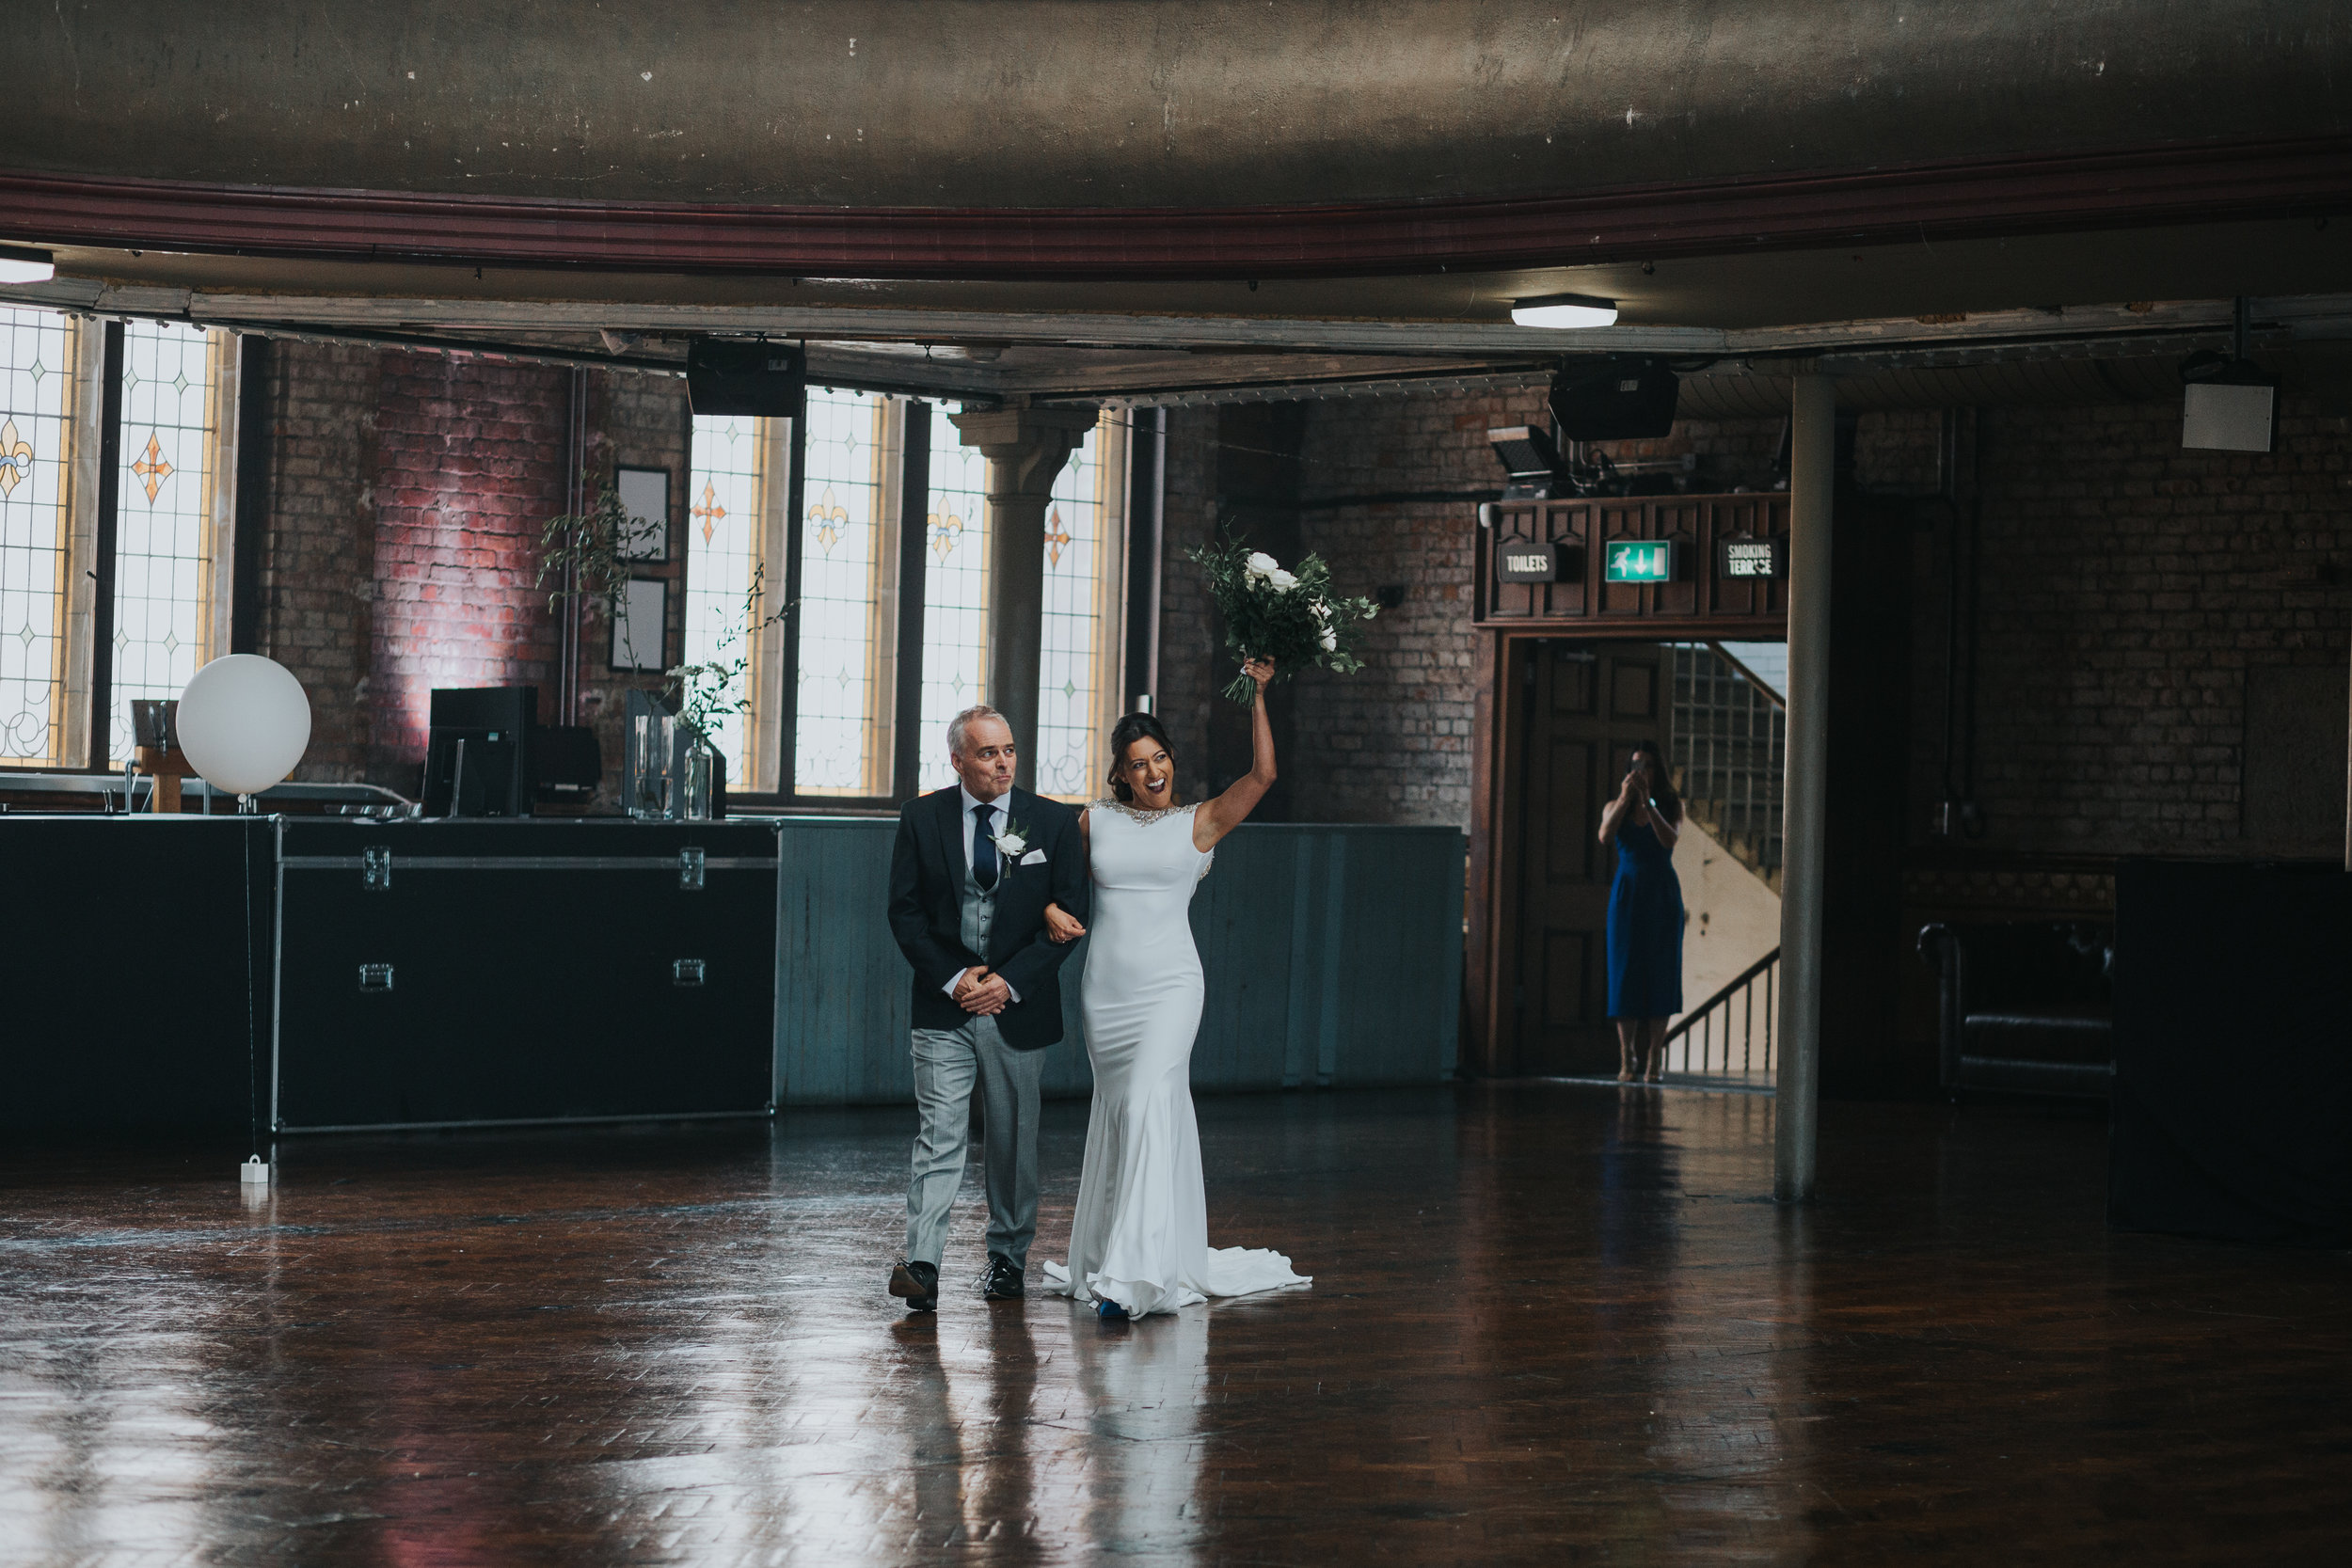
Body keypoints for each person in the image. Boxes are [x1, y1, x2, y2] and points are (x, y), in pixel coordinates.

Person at [1036, 657, 1311, 1319]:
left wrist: (1259, 696)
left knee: (1154, 1103)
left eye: (1160, 757)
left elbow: (1264, 775)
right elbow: (1042, 878)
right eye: (1138, 763)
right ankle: (1121, 1254)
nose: (1153, 771)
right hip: (1108, 991)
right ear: (1119, 774)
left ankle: (1131, 1280)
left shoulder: (1202, 821)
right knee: (1125, 1111)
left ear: (1172, 760)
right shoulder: (1091, 822)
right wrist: (1048, 907)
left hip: (1170, 988)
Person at [882, 705, 1089, 1314]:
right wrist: (953, 978)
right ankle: (922, 1262)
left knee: (1011, 1137)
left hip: (1017, 1008)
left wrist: (1007, 982)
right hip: (944, 1004)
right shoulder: (922, 817)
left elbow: (1073, 916)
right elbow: (905, 912)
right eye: (986, 753)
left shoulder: (1051, 822)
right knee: (939, 1135)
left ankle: (1007, 1257)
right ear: (957, 760)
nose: (1002, 762)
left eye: (1009, 750)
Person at [1597, 739, 1686, 1084]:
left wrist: (1648, 803)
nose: (1641, 771)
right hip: (1627, 896)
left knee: (1662, 972)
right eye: (1636, 765)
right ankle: (1626, 1056)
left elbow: (1669, 840)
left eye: (1647, 765)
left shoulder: (1669, 805)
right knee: (1625, 973)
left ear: (1656, 771)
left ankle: (1654, 1058)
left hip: (1662, 895)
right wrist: (1625, 798)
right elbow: (1605, 836)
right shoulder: (1613, 805)